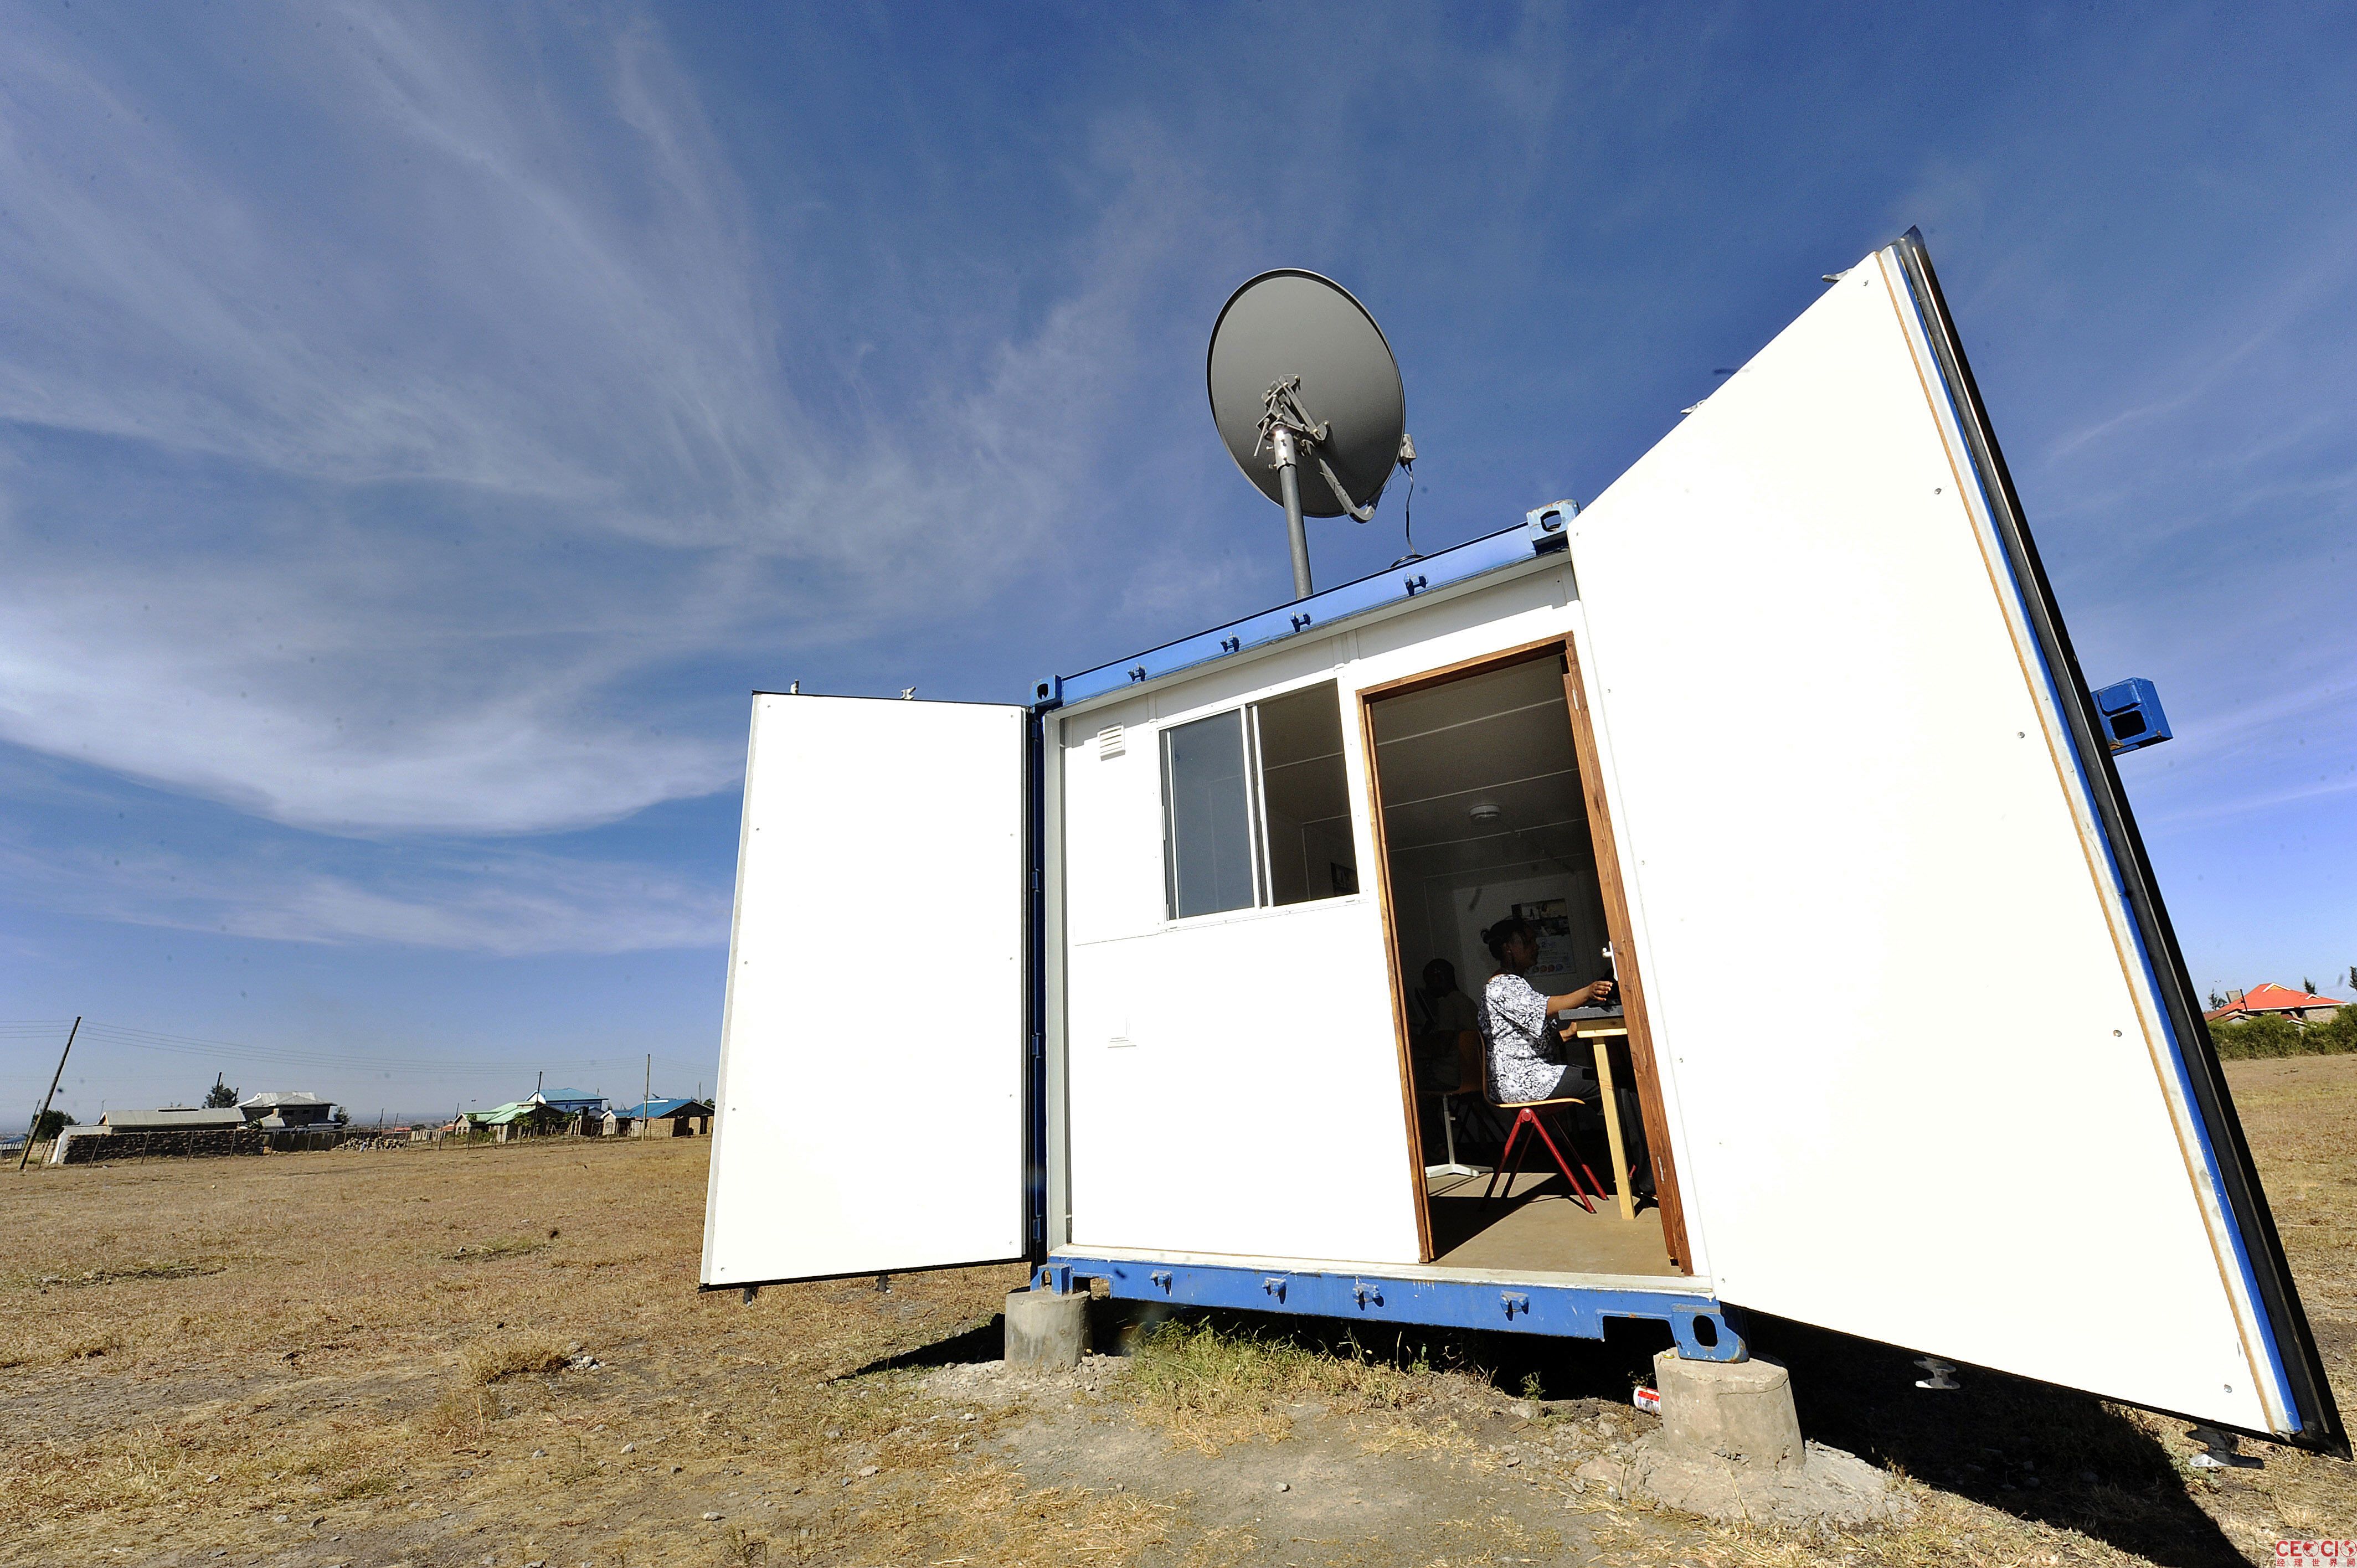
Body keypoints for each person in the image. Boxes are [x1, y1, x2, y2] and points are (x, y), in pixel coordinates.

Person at [1476, 915, 1650, 1190]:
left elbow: (1535, 1039)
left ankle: (1635, 1167)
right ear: (1509, 948)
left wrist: (1570, 1032)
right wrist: (1588, 992)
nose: (1536, 946)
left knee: (1616, 1082)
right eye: (1528, 941)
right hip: (1523, 1081)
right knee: (1615, 1083)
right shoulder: (1502, 985)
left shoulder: (1514, 984)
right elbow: (1547, 1007)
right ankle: (1647, 1177)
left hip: (1535, 1075)